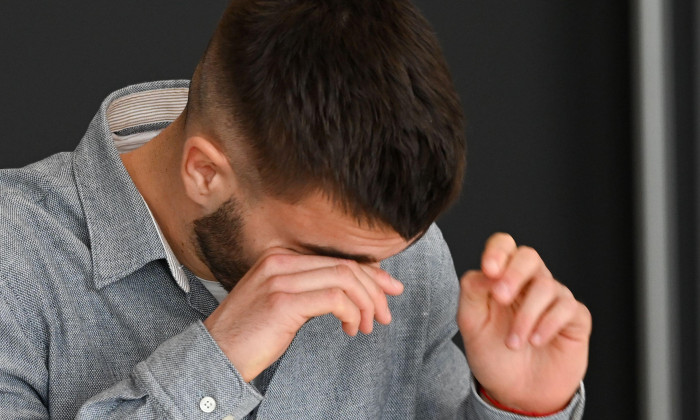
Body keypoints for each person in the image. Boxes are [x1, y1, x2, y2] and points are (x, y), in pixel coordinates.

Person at [0, 0, 591, 419]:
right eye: (326, 256)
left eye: (389, 256)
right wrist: (217, 362)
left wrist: (520, 408)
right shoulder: (15, 258)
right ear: (205, 172)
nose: (367, 282)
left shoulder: (404, 264)